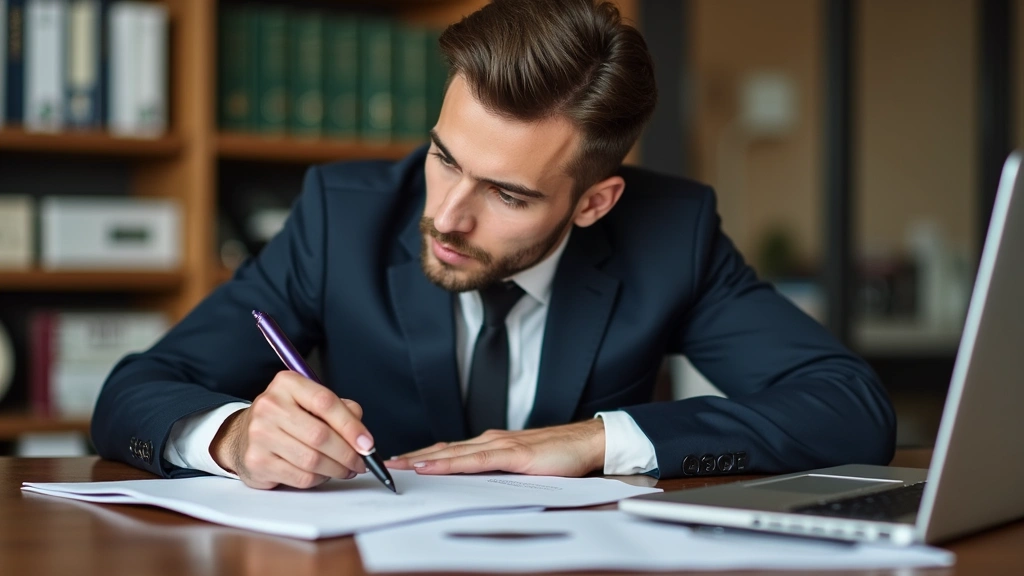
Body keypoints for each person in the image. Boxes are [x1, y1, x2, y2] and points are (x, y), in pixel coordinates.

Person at [92, 0, 895, 490]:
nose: (448, 215)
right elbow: (135, 391)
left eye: (507, 194)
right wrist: (232, 437)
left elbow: (850, 409)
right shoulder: (343, 214)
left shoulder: (668, 233)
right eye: (445, 158)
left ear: (595, 202)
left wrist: (600, 440)